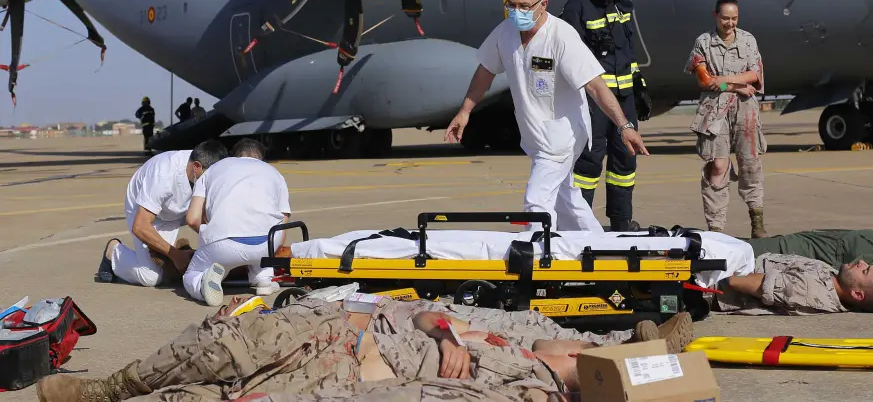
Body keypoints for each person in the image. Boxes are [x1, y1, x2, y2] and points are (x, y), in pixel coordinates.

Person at [33, 295, 693, 402]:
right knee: (237, 339)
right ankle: (105, 389)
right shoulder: (517, 336)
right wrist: (440, 330)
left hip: (347, 373)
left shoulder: (522, 386)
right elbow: (429, 310)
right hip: (344, 332)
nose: (574, 347)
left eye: (584, 353)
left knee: (224, 393)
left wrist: (367, 363)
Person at [445, 0, 649, 233]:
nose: (517, 12)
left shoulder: (561, 36)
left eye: (525, 6)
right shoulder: (505, 32)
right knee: (569, 201)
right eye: (512, 4)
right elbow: (485, 70)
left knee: (537, 200)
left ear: (544, 5)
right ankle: (597, 246)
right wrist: (465, 111)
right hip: (535, 138)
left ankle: (539, 254)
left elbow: (595, 85)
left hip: (561, 137)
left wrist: (624, 126)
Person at [559, 0, 652, 232]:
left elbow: (628, 49)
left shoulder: (622, 2)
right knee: (589, 162)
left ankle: (622, 222)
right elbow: (570, 58)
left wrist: (638, 85)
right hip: (594, 101)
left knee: (625, 162)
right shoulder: (576, 8)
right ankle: (581, 223)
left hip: (624, 97)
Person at [683, 0, 768, 238]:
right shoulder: (703, 42)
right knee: (717, 166)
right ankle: (716, 229)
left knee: (750, 164)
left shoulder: (748, 40)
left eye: (734, 18)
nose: (730, 23)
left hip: (745, 110)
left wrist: (725, 80)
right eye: (725, 18)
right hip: (713, 110)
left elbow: (755, 74)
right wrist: (734, 86)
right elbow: (704, 80)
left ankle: (757, 223)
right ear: (715, 16)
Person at [96, 140, 228, 287]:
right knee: (152, 277)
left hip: (178, 209)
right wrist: (175, 255)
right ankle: (114, 253)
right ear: (196, 167)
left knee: (180, 268)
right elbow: (140, 226)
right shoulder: (163, 175)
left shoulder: (207, 165)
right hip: (147, 214)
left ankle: (179, 252)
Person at [183, 137, 291, 304]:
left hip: (224, 243)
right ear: (260, 158)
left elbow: (192, 219)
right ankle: (264, 278)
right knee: (261, 240)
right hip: (266, 244)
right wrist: (270, 251)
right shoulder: (274, 173)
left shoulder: (213, 169)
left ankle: (202, 285)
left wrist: (208, 235)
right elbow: (282, 226)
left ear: (234, 156)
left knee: (192, 274)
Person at [713, 253, 873, 315]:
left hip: (713, 279)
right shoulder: (834, 279)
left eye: (865, 271)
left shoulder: (811, 290)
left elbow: (734, 281)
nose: (862, 263)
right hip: (734, 258)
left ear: (858, 294)